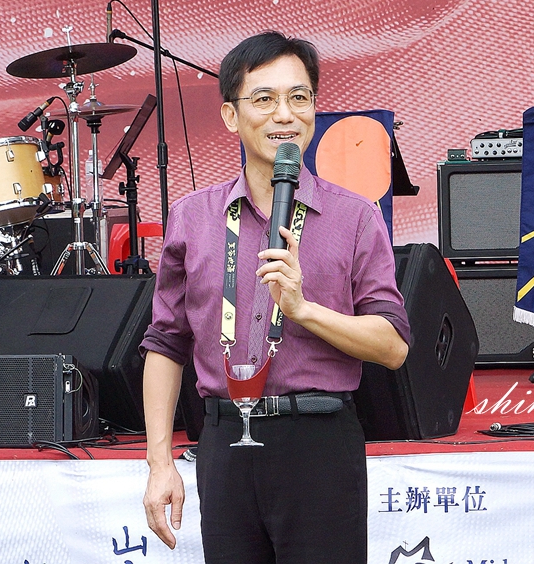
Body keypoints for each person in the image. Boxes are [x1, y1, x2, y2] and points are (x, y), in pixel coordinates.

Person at [140, 30, 410, 564]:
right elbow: (166, 343)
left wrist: (304, 310)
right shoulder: (194, 217)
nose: (285, 115)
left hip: (319, 442)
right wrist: (159, 463)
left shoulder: (355, 217)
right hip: (224, 441)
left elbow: (394, 347)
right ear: (230, 115)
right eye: (264, 99)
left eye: (299, 97)